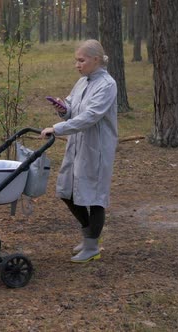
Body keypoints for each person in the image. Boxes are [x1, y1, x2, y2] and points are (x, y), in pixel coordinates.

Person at [40, 39, 118, 263]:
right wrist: (62, 109)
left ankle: (92, 245)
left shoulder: (107, 84)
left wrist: (57, 128)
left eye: (81, 60)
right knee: (67, 190)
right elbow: (73, 109)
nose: (77, 64)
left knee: (94, 196)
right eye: (76, 60)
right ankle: (88, 235)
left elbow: (91, 116)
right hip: (77, 144)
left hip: (97, 148)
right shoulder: (83, 82)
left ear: (95, 59)